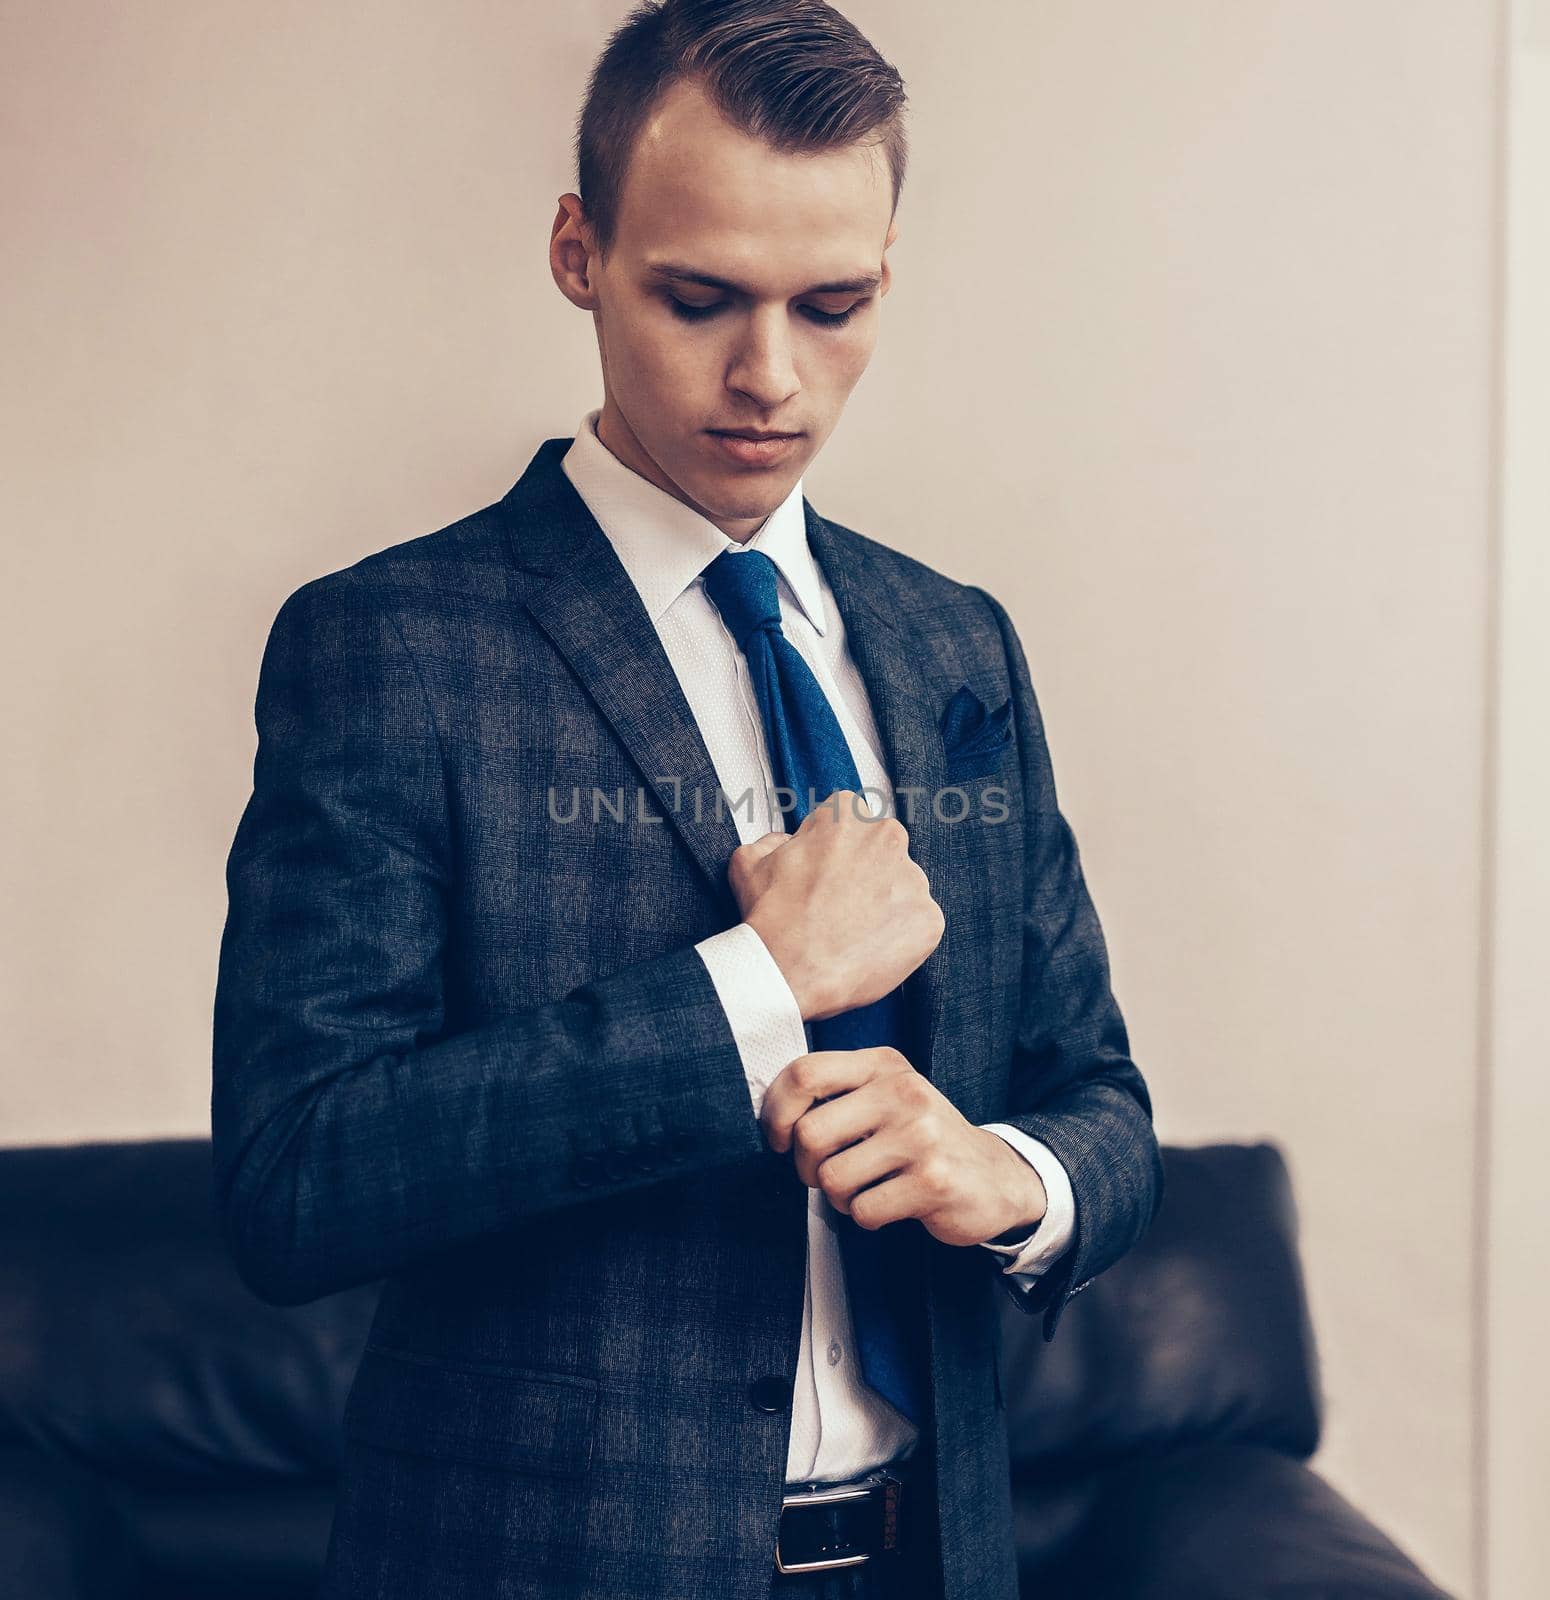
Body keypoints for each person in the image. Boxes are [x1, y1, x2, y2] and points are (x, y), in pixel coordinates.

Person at [210, 2, 1163, 1597]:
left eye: (833, 303)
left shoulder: (956, 645)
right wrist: (753, 990)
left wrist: (1014, 1181)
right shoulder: (388, 645)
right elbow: (293, 1184)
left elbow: (1103, 1102)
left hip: (933, 1560)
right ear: (579, 252)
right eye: (698, 297)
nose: (767, 377)